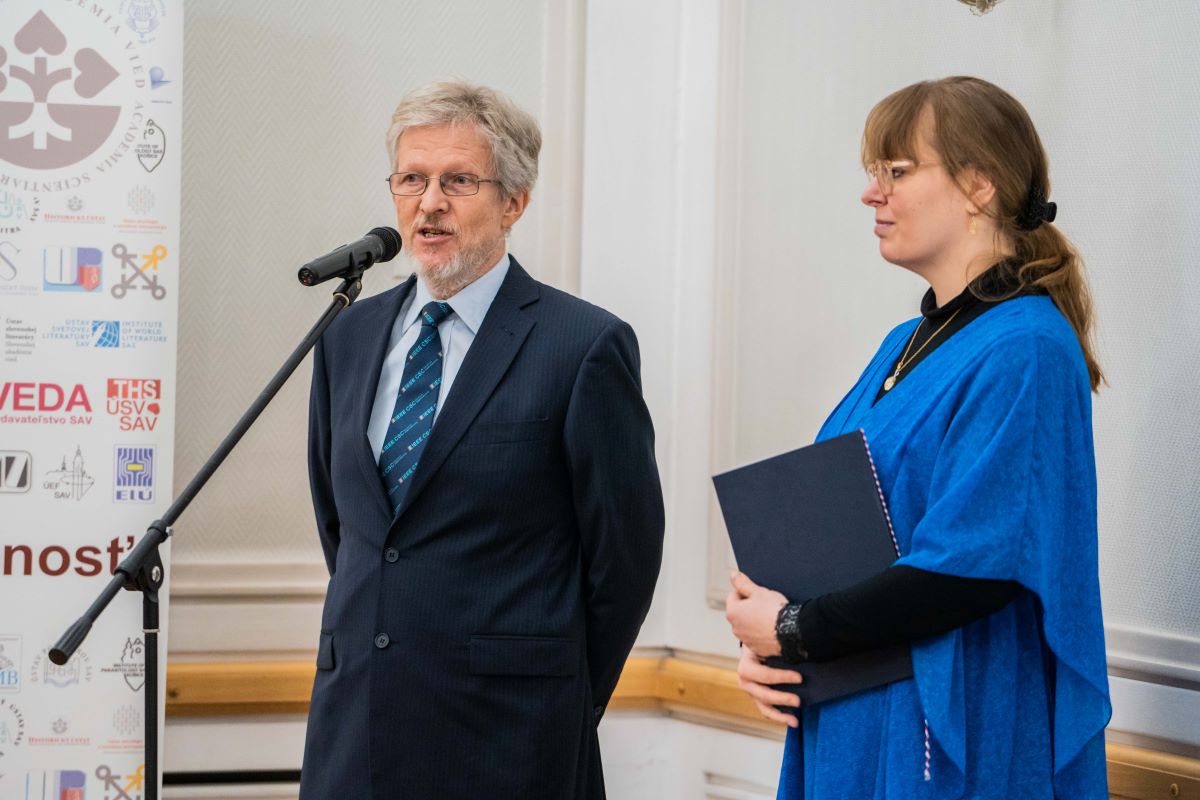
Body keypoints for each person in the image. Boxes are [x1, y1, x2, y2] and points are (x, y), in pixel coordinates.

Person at [725, 76, 1110, 799]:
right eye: (874, 173)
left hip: (949, 717)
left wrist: (795, 628)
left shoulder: (1026, 347)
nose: (871, 194)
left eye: (897, 172)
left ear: (980, 185)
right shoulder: (903, 344)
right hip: (852, 705)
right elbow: (842, 533)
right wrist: (771, 644)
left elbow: (970, 571)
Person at [300, 80, 664, 800]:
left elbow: (623, 559)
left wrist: (561, 694)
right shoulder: (346, 335)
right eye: (411, 179)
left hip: (509, 737)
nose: (429, 203)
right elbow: (346, 529)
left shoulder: (582, 345)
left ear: (514, 202)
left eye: (458, 181)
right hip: (356, 728)